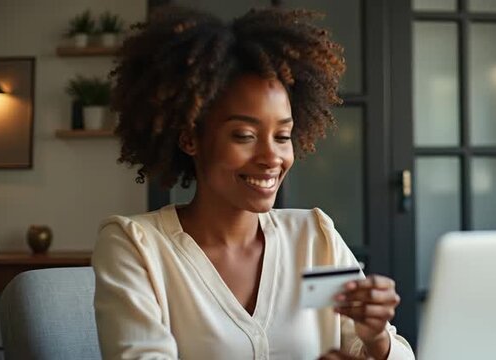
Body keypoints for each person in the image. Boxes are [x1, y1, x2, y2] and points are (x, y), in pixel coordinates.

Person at [91, 6, 414, 360]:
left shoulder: (312, 240)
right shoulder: (138, 247)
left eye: (283, 135)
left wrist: (376, 339)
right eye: (244, 135)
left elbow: (385, 351)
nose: (271, 157)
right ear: (190, 139)